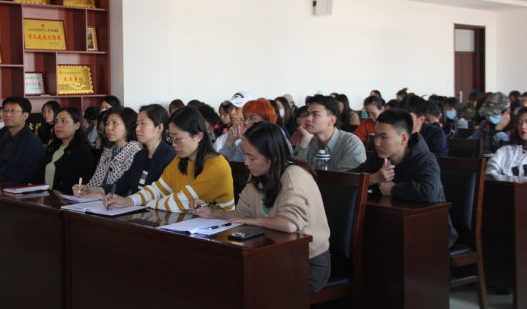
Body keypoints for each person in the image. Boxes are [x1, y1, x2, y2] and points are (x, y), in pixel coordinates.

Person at [190, 121, 331, 293]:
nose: (246, 162)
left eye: (252, 157)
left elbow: (289, 224)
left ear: (272, 156)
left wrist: (254, 221)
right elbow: (241, 214)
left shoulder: (294, 175)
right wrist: (212, 213)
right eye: (245, 155)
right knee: (223, 277)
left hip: (306, 262)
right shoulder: (258, 175)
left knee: (248, 288)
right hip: (273, 257)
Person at [350, 109, 457, 246]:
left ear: (404, 138)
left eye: (384, 137)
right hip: (389, 226)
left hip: (430, 231)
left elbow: (430, 192)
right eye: (375, 136)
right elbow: (346, 179)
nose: (377, 143)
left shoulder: (424, 159)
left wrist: (393, 189)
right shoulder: (379, 157)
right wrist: (374, 178)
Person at [101, 106, 235, 212]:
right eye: (171, 138)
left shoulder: (217, 165)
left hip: (217, 229)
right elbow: (158, 189)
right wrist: (129, 201)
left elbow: (182, 202)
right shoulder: (180, 159)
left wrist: (144, 203)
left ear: (198, 136)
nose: (174, 144)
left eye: (178, 139)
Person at [74, 104, 176, 197]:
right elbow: (121, 185)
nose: (137, 128)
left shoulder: (170, 156)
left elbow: (159, 193)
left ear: (159, 127)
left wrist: (123, 200)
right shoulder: (140, 155)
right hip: (137, 208)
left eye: (143, 123)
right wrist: (89, 189)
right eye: (137, 123)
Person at [294, 94, 366, 171]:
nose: (308, 118)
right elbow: (296, 172)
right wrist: (305, 140)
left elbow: (348, 176)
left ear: (332, 120)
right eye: (307, 114)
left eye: (315, 114)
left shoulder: (351, 143)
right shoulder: (310, 142)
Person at [30, 107, 94, 193]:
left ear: (77, 125)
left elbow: (71, 185)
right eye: (56, 121)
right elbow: (37, 175)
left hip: (63, 198)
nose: (58, 125)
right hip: (43, 196)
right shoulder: (52, 148)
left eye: (64, 121)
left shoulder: (81, 151)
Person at [0, 97, 44, 183]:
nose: (7, 114)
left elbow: (24, 176)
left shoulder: (32, 142)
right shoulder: (5, 140)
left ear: (25, 115)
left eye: (13, 110)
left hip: (17, 189)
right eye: (5, 110)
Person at [221, 99, 293, 161]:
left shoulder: (276, 135)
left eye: (252, 118)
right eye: (245, 117)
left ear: (265, 120)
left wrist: (245, 139)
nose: (246, 122)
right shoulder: (246, 138)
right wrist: (230, 140)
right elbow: (231, 164)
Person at [87, 106, 141, 187]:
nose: (108, 128)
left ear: (128, 126)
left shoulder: (135, 154)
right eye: (107, 123)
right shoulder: (107, 153)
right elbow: (94, 183)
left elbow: (122, 188)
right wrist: (85, 189)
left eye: (114, 123)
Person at [486, 107, 527, 183]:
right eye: (519, 122)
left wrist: (503, 178)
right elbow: (489, 174)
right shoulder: (505, 150)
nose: (523, 126)